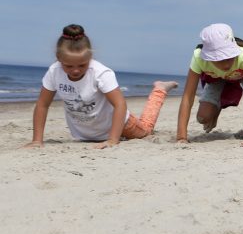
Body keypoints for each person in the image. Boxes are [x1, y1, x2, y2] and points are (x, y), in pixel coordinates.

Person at [25, 24, 177, 148]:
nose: (75, 70)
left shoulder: (100, 73)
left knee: (147, 129)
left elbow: (119, 105)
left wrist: (113, 140)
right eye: (69, 66)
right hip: (88, 133)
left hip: (122, 125)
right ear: (58, 59)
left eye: (82, 65)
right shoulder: (54, 71)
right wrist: (37, 140)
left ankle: (160, 89)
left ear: (90, 58)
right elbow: (42, 105)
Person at [177, 23, 243, 147]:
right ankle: (217, 107)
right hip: (216, 77)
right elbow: (188, 97)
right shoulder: (199, 58)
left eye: (228, 57)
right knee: (203, 118)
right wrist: (181, 137)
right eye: (219, 59)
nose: (226, 64)